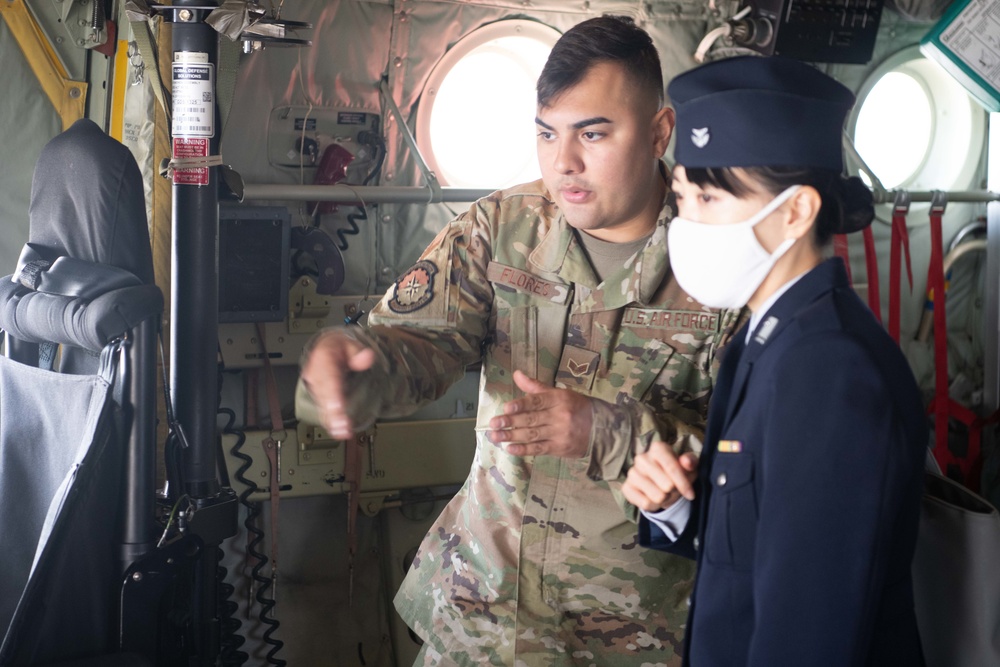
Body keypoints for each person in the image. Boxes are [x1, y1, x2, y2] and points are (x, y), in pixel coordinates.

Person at [298, 15, 741, 667]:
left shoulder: (720, 268)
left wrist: (609, 433)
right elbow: (415, 347)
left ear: (659, 132)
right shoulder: (502, 229)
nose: (564, 162)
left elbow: (758, 468)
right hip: (485, 619)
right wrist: (349, 371)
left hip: (633, 636)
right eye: (546, 133)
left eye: (593, 133)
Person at [622, 55, 927, 666]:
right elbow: (761, 549)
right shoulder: (772, 336)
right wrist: (679, 508)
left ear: (795, 212)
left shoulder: (828, 370)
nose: (687, 223)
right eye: (682, 197)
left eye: (709, 198)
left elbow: (811, 626)